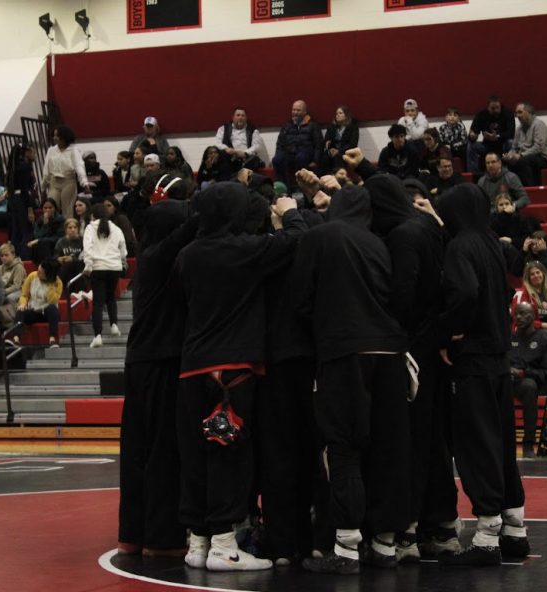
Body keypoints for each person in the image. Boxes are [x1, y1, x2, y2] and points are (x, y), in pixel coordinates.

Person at [177, 184, 304, 572]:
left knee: (197, 455)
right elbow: (296, 239)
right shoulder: (244, 250)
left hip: (192, 367)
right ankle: (225, 545)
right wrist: (290, 209)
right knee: (229, 454)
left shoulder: (187, 256)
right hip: (232, 369)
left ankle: (197, 542)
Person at [289, 186, 409, 574]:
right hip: (390, 351)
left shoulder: (319, 236)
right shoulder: (377, 243)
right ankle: (386, 544)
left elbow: (300, 300)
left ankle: (345, 548)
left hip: (344, 351)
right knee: (387, 448)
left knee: (343, 448)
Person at [363, 174, 458, 563]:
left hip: (412, 345)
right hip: (432, 342)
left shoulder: (403, 235)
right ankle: (442, 524)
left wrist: (388, 332)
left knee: (411, 439)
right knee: (434, 438)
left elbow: (403, 295)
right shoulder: (429, 227)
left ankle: (410, 528)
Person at [433, 183, 529, 566]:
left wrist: (446, 331)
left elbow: (466, 293)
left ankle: (487, 537)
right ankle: (514, 529)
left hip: (472, 358)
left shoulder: (459, 246)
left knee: (478, 444)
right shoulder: (491, 243)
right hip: (499, 358)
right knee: (503, 442)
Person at [119, 199, 197, 558]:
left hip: (140, 361)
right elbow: (190, 227)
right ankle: (163, 538)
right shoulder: (160, 256)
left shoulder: (150, 258)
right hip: (162, 361)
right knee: (163, 449)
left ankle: (133, 534)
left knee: (138, 450)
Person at [509, 303, 547, 458]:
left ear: (534, 316)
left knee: (529, 386)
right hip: (508, 381)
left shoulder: (544, 338)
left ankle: (528, 443)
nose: (519, 318)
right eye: (517, 314)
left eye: (524, 314)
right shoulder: (510, 338)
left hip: (531, 382)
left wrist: (523, 373)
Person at [83, 203, 126, 348]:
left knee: (98, 303)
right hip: (114, 268)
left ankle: (98, 336)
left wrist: (88, 267)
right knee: (111, 297)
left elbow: (87, 249)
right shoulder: (116, 228)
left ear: (93, 215)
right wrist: (119, 261)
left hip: (98, 268)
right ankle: (114, 325)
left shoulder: (90, 228)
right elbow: (123, 251)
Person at [42, 125, 90, 221]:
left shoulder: (73, 150)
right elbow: (46, 169)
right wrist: (43, 186)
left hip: (68, 182)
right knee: (51, 206)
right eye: (54, 135)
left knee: (67, 210)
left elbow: (79, 166)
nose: (54, 138)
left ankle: (67, 231)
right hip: (54, 181)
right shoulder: (51, 150)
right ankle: (51, 230)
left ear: (64, 137)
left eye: (57, 136)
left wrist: (84, 183)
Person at [272, 99, 322, 187]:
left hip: (305, 152)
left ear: (305, 112)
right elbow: (280, 143)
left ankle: (301, 187)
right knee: (277, 160)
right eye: (293, 110)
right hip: (290, 152)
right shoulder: (287, 126)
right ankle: (283, 187)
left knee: (300, 158)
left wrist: (315, 160)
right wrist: (277, 154)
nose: (295, 112)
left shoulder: (313, 125)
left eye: (298, 110)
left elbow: (319, 144)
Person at [13, 259, 63, 347]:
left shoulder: (57, 283)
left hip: (48, 313)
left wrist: (50, 284)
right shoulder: (32, 276)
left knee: (52, 308)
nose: (38, 273)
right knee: (20, 310)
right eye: (38, 270)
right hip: (34, 311)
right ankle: (16, 338)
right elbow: (24, 295)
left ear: (48, 275)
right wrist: (23, 303)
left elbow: (52, 301)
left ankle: (52, 339)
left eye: (41, 272)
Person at [503, 103, 547, 187]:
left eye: (520, 112)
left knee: (523, 161)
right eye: (516, 113)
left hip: (541, 157)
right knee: (507, 162)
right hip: (524, 157)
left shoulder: (539, 125)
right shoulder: (519, 128)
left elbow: (538, 147)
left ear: (529, 112)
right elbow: (514, 147)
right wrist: (510, 155)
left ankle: (530, 190)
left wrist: (521, 155)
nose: (517, 115)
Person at [5, 143, 38, 260]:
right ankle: (25, 257)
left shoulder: (12, 167)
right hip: (21, 200)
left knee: (16, 231)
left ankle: (14, 256)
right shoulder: (24, 167)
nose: (35, 154)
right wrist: (29, 208)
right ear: (26, 153)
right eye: (33, 152)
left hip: (13, 200)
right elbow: (25, 189)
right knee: (26, 230)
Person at [467, 96, 515, 175]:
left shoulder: (508, 113)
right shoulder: (481, 115)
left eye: (497, 107)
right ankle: (474, 174)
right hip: (487, 145)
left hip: (503, 144)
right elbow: (473, 133)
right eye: (493, 108)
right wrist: (472, 136)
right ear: (488, 107)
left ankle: (511, 173)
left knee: (511, 142)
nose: (495, 110)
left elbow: (511, 133)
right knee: (471, 146)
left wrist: (497, 136)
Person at [214, 107, 266, 172]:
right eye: (238, 115)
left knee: (254, 159)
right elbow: (217, 143)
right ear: (233, 118)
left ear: (246, 118)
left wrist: (245, 153)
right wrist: (226, 149)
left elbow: (257, 146)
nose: (240, 118)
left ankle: (242, 179)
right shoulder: (223, 129)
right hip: (230, 158)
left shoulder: (253, 130)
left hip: (246, 159)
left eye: (243, 116)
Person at [0, 243, 27, 330]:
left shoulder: (18, 267)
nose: (3, 257)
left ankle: (14, 322)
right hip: (4, 291)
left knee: (9, 298)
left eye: (6, 255)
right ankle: (0, 323)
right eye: (1, 256)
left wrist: (3, 292)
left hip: (19, 291)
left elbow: (17, 286)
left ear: (13, 255)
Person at [319, 105, 359, 175]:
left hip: (346, 152)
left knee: (337, 158)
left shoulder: (353, 127)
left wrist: (339, 151)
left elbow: (353, 144)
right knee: (324, 158)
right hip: (333, 151)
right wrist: (329, 147)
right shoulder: (332, 127)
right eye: (336, 113)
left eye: (340, 113)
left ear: (346, 115)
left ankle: (339, 180)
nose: (337, 115)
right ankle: (322, 180)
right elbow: (326, 140)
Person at [27, 199, 65, 263]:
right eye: (45, 208)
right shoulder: (40, 220)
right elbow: (37, 236)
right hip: (42, 243)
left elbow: (59, 237)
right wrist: (45, 225)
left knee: (45, 244)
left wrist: (40, 240)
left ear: (55, 208)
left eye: (50, 208)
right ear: (42, 209)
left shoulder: (60, 219)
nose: (48, 210)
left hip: (55, 243)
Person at [54, 218, 85, 292]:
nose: (73, 230)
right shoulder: (61, 242)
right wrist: (59, 259)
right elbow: (55, 257)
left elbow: (86, 258)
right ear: (65, 230)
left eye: (75, 227)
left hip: (80, 268)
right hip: (65, 269)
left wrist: (73, 259)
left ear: (78, 229)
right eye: (70, 228)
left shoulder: (83, 241)